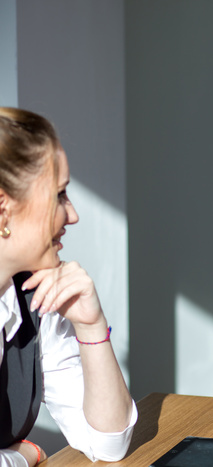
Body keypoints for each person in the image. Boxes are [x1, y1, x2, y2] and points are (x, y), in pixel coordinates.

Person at [0, 108, 137, 466]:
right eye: (59, 195)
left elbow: (108, 444)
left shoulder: (31, 296)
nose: (72, 214)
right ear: (3, 210)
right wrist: (22, 455)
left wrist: (90, 326)